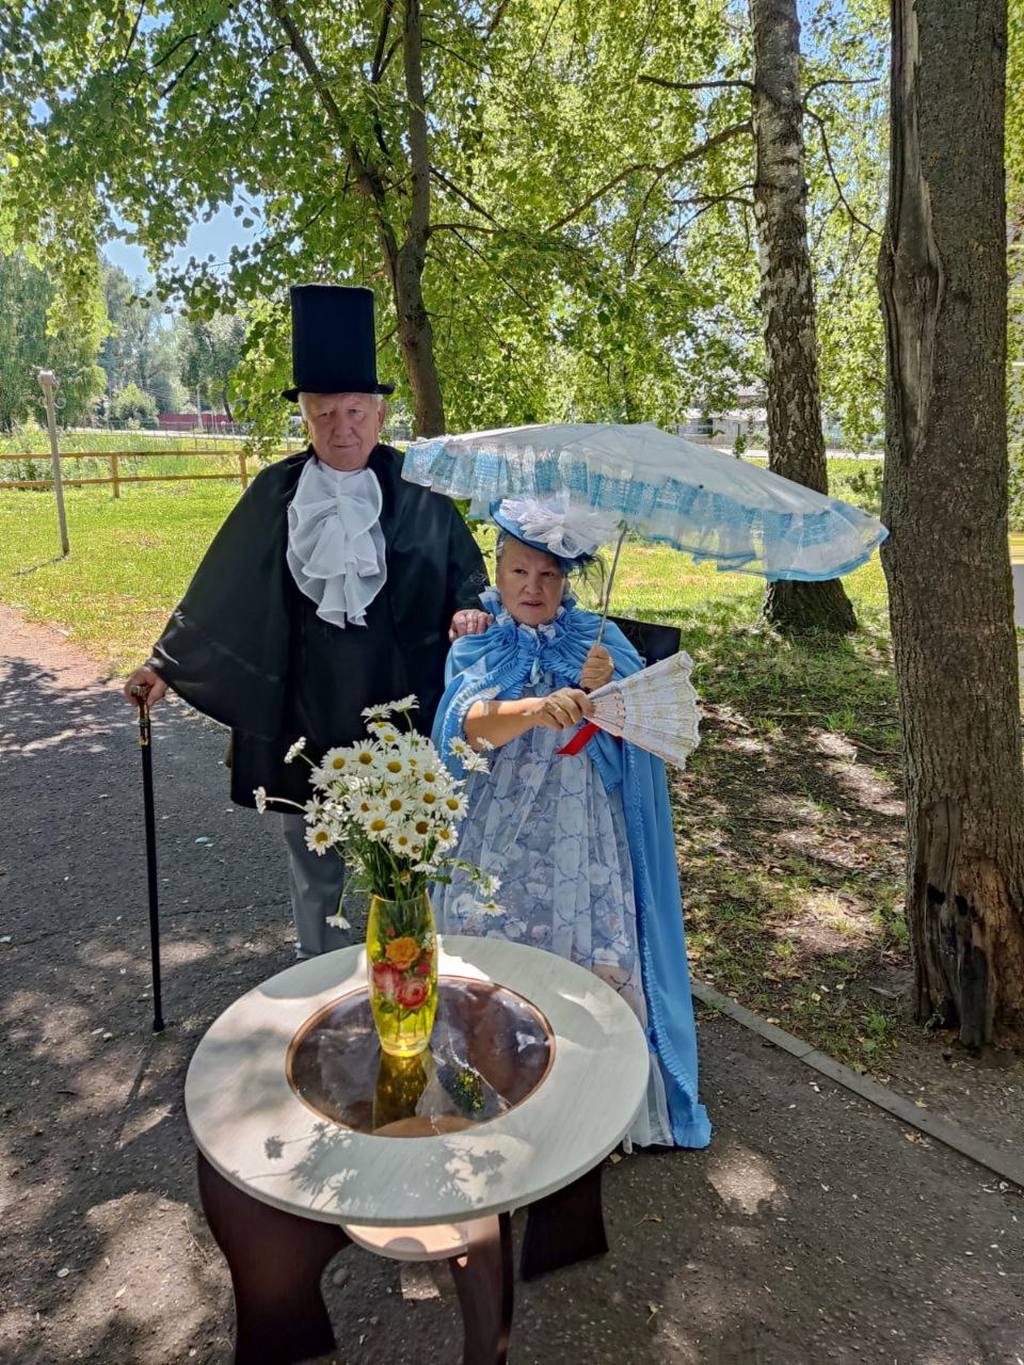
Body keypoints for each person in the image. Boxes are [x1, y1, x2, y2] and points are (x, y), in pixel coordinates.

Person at [123, 284, 489, 958]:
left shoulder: (419, 487)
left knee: (404, 852)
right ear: (305, 417)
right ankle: (319, 973)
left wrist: (470, 606)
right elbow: (223, 585)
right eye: (324, 413)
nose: (342, 427)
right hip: (305, 704)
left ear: (380, 413)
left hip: (399, 702)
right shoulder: (277, 490)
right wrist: (164, 665)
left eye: (355, 411)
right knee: (313, 848)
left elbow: (465, 567)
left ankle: (403, 974)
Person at [431, 497, 711, 1150]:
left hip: (582, 830)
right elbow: (467, 728)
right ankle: (492, 1087)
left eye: (548, 575)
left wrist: (605, 688)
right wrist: (535, 708)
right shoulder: (477, 640)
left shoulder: (600, 642)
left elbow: (637, 735)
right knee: (484, 943)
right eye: (519, 572)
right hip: (496, 835)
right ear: (498, 572)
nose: (532, 587)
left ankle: (590, 1102)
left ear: (567, 580)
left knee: (594, 952)